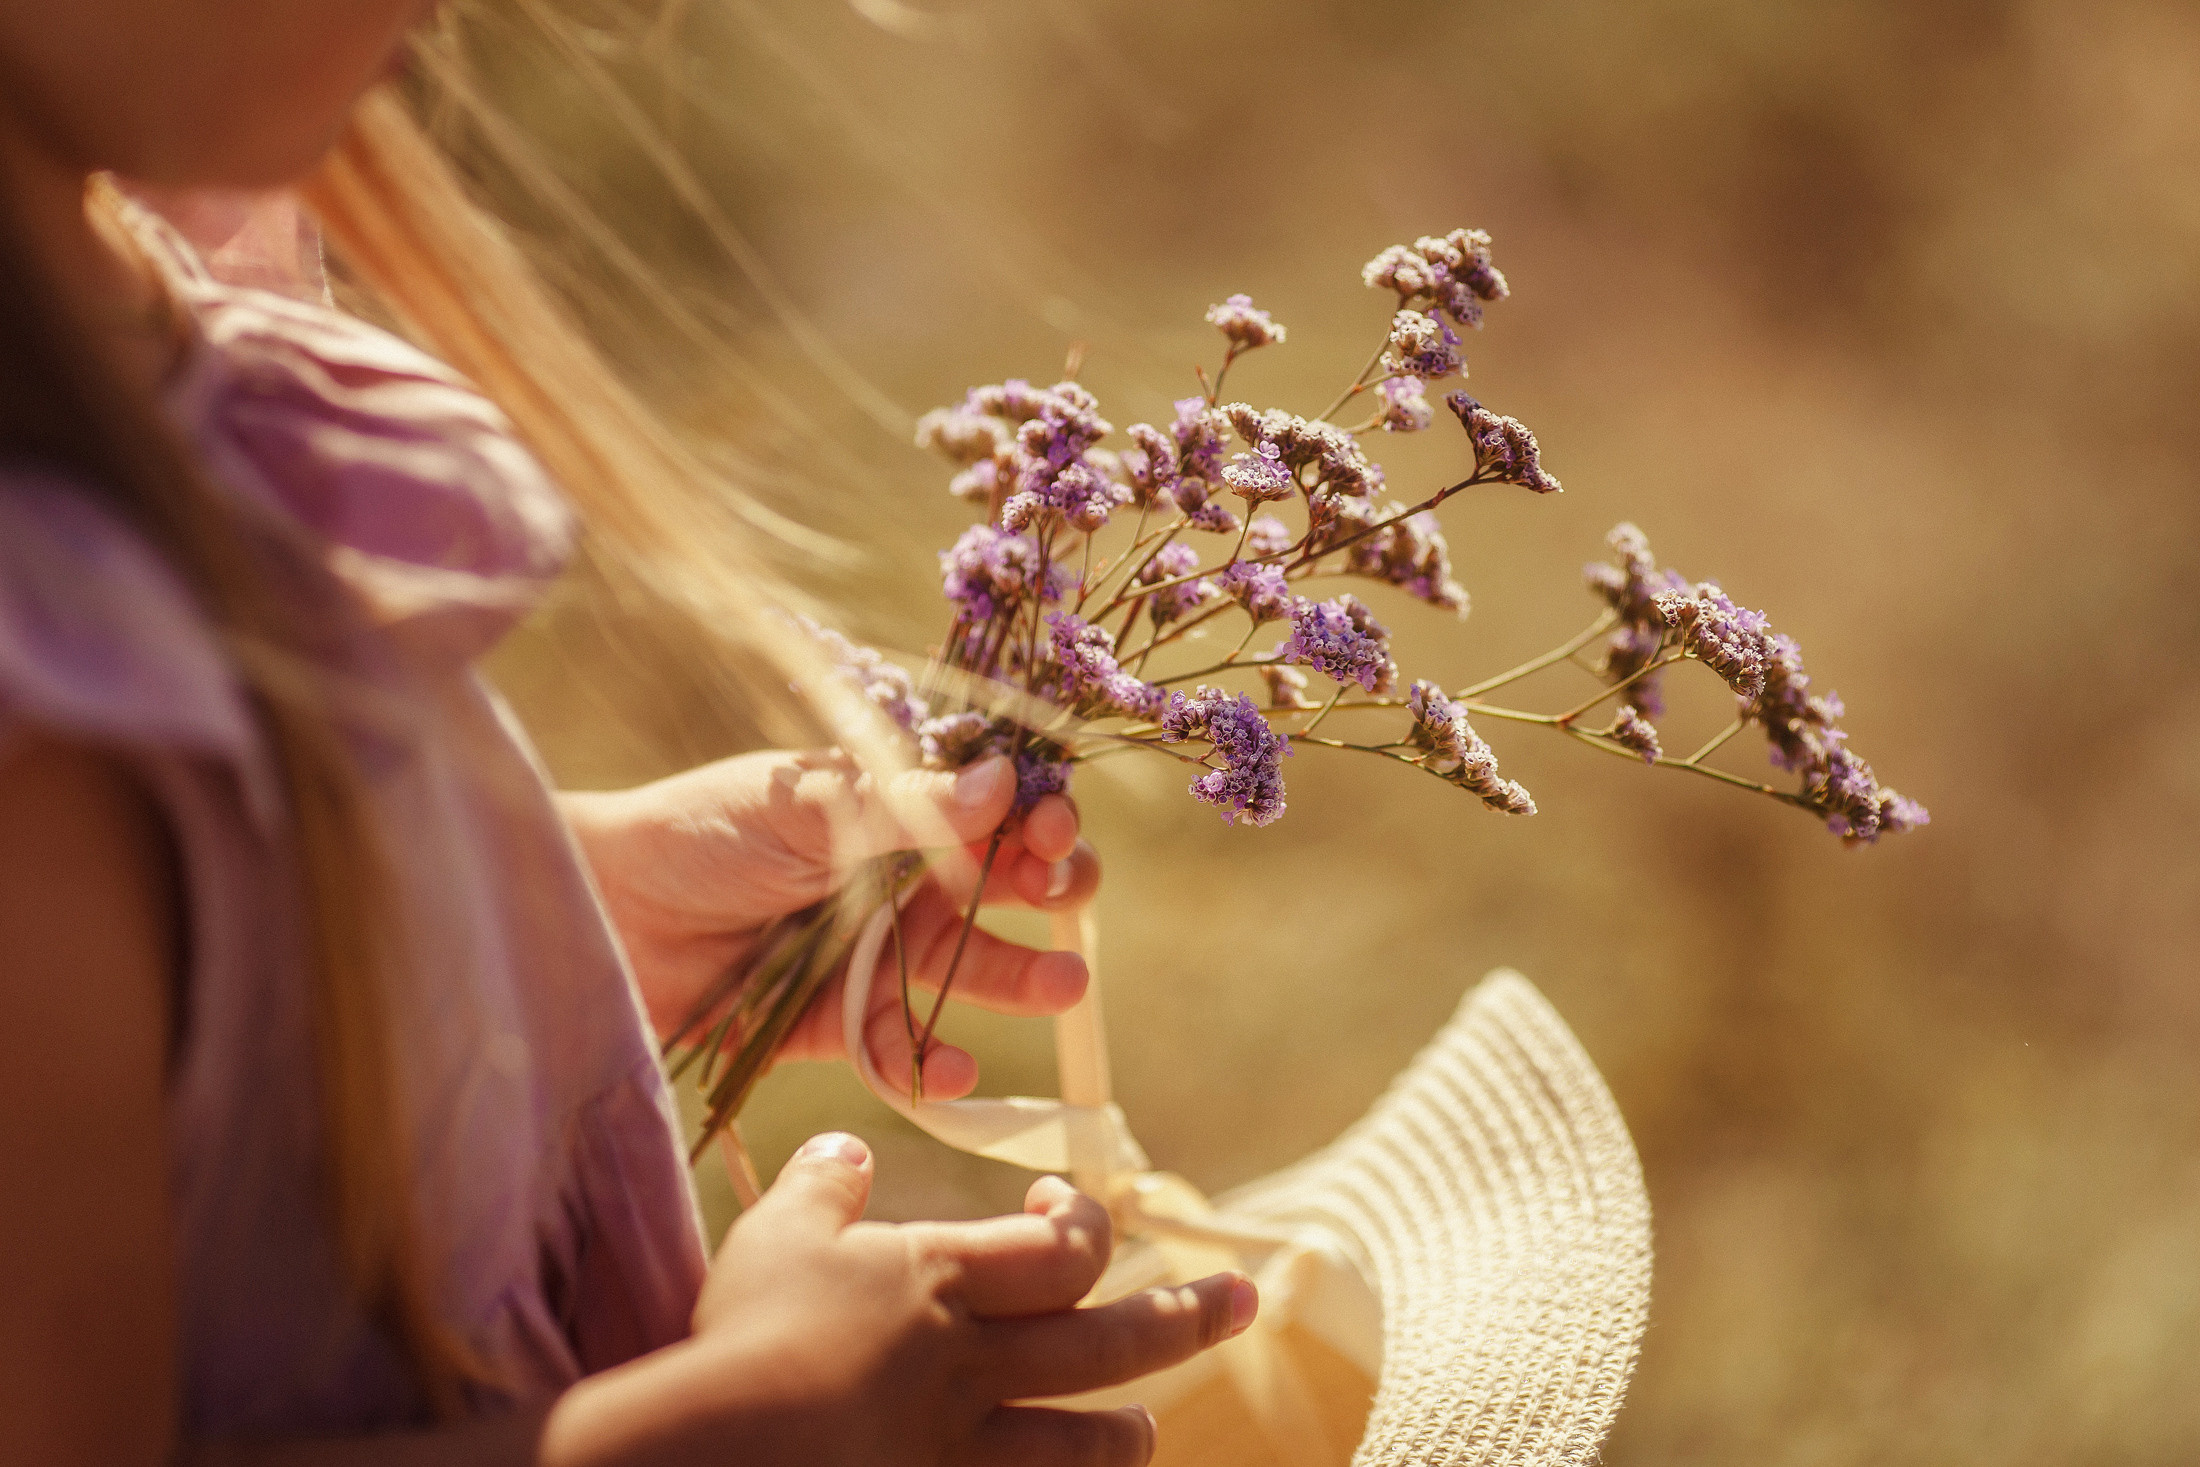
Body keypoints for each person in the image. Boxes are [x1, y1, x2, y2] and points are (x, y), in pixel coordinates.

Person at [0, 4, 1255, 1463]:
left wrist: (547, 918)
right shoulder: (36, 661)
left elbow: (169, 984)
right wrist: (746, 1428)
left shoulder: (136, 310)